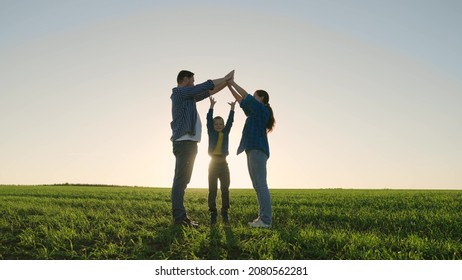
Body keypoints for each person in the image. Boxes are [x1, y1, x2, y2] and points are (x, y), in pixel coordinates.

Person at [170, 69, 234, 226]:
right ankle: (179, 218)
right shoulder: (179, 92)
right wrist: (224, 77)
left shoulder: (188, 97)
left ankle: (181, 217)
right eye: (192, 80)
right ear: (185, 80)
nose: (193, 83)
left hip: (189, 144)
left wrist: (226, 84)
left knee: (183, 181)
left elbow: (207, 91)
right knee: (180, 181)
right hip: (184, 143)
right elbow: (204, 86)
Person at [227, 80, 275, 228]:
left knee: (261, 185)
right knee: (258, 185)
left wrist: (232, 82)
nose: (252, 98)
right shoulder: (255, 110)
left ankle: (266, 220)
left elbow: (244, 95)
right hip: (252, 149)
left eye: (255, 96)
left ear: (261, 98)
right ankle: (262, 218)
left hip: (257, 149)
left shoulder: (261, 109)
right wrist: (228, 86)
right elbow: (242, 100)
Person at [206, 96, 236, 224]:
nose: (218, 126)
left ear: (223, 125)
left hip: (224, 164)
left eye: (220, 124)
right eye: (216, 124)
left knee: (225, 189)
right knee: (212, 189)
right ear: (213, 126)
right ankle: (212, 211)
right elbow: (208, 120)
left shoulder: (226, 132)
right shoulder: (211, 132)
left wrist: (232, 109)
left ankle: (225, 210)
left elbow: (230, 122)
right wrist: (211, 107)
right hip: (213, 164)